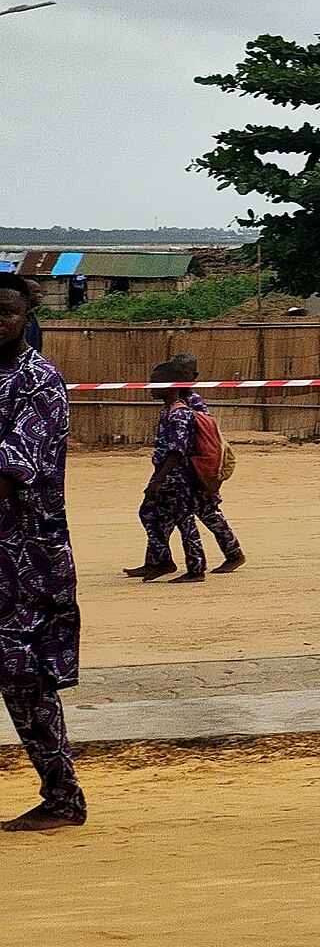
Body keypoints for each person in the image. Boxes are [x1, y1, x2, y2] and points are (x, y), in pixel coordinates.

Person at [0, 279, 86, 831]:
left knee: (23, 675)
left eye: (5, 311)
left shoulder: (38, 381)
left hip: (26, 558)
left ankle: (62, 796)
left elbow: (12, 471)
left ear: (27, 315)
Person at [124, 355, 243, 582]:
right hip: (174, 473)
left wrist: (162, 478)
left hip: (185, 473)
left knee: (198, 515)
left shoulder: (188, 406)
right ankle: (159, 561)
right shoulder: (171, 407)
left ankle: (217, 559)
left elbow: (188, 443)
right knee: (163, 515)